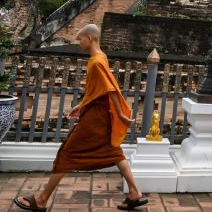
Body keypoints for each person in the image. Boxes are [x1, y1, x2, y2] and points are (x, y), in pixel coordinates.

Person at [14, 24, 147, 211]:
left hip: (95, 118)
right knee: (114, 151)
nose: (79, 43)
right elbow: (97, 90)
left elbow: (112, 90)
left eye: (80, 39)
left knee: (67, 153)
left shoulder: (97, 61)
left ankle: (42, 199)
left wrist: (121, 115)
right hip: (98, 113)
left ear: (89, 39)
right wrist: (81, 104)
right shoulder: (101, 57)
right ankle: (135, 192)